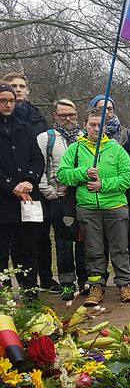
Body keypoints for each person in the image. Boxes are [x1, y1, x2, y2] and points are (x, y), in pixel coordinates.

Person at [56, 107, 130, 306]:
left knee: (120, 248)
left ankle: (125, 284)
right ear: (85, 126)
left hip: (115, 206)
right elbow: (63, 174)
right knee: (93, 250)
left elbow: (128, 178)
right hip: (87, 208)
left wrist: (104, 185)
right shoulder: (75, 149)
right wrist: (84, 173)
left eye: (101, 125)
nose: (96, 129)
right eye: (92, 125)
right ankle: (96, 286)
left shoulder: (117, 149)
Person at [89, 95, 130, 283]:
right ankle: (99, 276)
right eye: (102, 108)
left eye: (110, 109)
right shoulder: (86, 138)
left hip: (123, 191)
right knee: (98, 237)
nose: (107, 112)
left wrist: (117, 179)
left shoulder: (125, 134)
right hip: (95, 193)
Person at [36, 100, 87, 299]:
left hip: (80, 197)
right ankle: (67, 282)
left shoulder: (84, 138)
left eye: (72, 115)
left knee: (83, 239)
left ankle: (84, 280)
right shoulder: (46, 138)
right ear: (55, 116)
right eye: (63, 115)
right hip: (56, 197)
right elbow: (39, 167)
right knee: (63, 241)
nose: (68, 119)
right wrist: (48, 192)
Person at [0, 82, 43, 297]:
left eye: (11, 101)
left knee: (28, 249)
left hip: (27, 198)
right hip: (3, 200)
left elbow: (37, 158)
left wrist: (29, 180)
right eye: (3, 101)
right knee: (1, 252)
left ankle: (31, 294)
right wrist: (11, 186)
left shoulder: (24, 127)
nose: (8, 104)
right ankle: (5, 298)